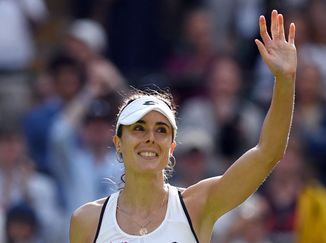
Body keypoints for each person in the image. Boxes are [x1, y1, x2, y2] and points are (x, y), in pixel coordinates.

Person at [69, 10, 297, 243]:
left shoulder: (197, 205)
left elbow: (269, 152)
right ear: (118, 141)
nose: (150, 137)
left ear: (172, 146)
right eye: (138, 128)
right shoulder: (87, 220)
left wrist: (285, 80)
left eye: (161, 129)